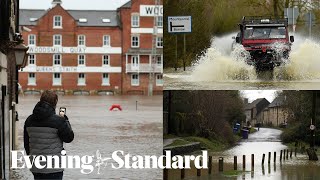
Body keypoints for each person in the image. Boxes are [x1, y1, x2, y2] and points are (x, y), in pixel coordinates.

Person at [24, 90, 74, 180]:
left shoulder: (29, 120)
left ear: (41, 100)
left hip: (36, 166)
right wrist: (65, 120)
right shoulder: (59, 121)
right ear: (55, 103)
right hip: (54, 168)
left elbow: (26, 144)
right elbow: (69, 138)